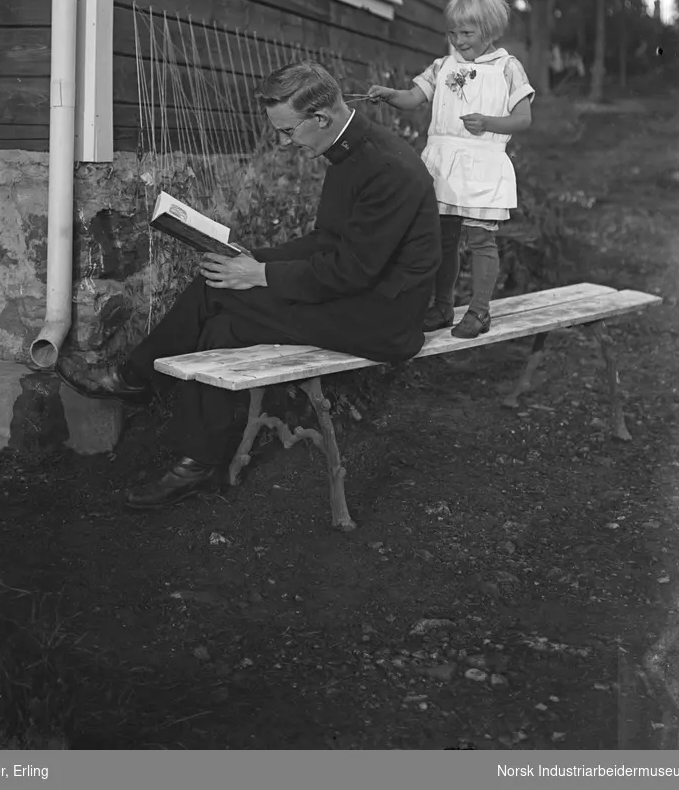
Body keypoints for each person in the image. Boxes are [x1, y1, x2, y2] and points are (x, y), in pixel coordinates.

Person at [62, 61, 441, 510]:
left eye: (286, 131)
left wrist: (257, 275)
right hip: (359, 297)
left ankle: (133, 379)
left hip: (383, 317)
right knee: (224, 329)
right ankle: (197, 466)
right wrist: (253, 257)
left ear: (320, 119)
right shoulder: (345, 149)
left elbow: (351, 269)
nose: (284, 143)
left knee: (217, 291)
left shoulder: (384, 167)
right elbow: (328, 241)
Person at [369, 0, 534, 340]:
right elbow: (415, 97)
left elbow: (523, 118)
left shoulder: (507, 68)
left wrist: (489, 123)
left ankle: (479, 311)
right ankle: (443, 306)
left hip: (483, 165)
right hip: (442, 164)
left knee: (480, 240)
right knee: (442, 240)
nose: (458, 40)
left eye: (467, 32)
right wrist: (390, 95)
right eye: (453, 32)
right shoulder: (442, 66)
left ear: (489, 30)